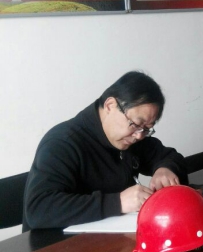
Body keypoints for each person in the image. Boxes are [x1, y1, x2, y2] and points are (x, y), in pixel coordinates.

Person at [23, 71, 188, 230]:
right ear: (110, 106)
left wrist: (165, 169)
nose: (139, 135)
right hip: (58, 245)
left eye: (146, 129)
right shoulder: (62, 143)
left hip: (114, 239)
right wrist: (118, 202)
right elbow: (39, 209)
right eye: (135, 124)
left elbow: (169, 156)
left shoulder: (131, 137)